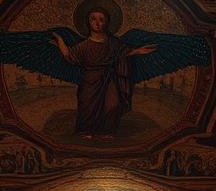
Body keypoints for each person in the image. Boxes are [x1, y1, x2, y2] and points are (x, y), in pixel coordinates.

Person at [51, 8, 155, 139]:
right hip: (89, 81)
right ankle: (86, 131)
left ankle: (107, 131)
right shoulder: (84, 46)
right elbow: (69, 56)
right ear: (88, 22)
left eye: (101, 19)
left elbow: (123, 52)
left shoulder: (113, 42)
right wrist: (60, 41)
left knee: (113, 104)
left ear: (106, 22)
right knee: (87, 106)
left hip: (109, 78)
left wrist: (138, 51)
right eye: (93, 19)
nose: (97, 23)